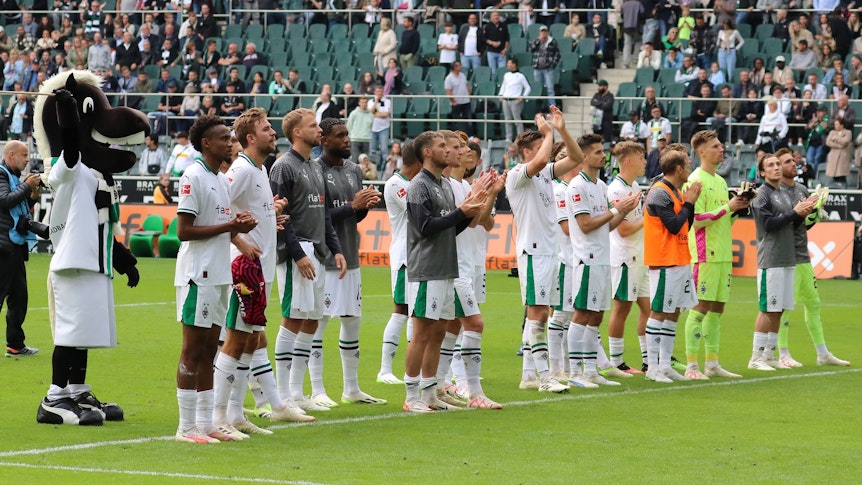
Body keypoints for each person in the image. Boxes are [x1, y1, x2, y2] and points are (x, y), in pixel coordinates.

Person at [213, 108, 311, 438]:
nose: (273, 133)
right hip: (244, 268)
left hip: (261, 269)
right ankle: (220, 416)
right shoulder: (241, 169)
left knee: (251, 338)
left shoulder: (259, 169)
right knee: (235, 340)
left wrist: (272, 216)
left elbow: (246, 211)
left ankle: (238, 413)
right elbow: (217, 208)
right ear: (251, 138)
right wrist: (238, 240)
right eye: (267, 128)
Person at [173, 114, 258, 443]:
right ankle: (185, 427)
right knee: (192, 350)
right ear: (206, 143)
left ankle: (206, 423)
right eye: (224, 138)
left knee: (210, 350)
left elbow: (221, 225)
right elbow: (184, 231)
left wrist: (238, 229)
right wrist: (231, 227)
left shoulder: (220, 179)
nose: (231, 143)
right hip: (199, 275)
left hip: (219, 274)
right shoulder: (193, 176)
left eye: (231, 138)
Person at [401, 130, 488, 413]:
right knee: (422, 333)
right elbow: (424, 227)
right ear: (427, 152)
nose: (448, 150)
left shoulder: (444, 185)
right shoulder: (419, 185)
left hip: (446, 267)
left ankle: (430, 393)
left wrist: (467, 212)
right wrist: (461, 212)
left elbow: (452, 228)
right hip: (427, 268)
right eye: (441, 146)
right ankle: (411, 395)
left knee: (438, 332)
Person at [269, 109, 347, 413]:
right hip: (296, 252)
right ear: (297, 132)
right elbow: (281, 216)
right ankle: (283, 397)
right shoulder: (283, 167)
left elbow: (323, 214)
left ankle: (297, 392)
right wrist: (298, 254)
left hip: (317, 250)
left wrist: (335, 248)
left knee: (312, 319)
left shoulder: (315, 166)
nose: (319, 130)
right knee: (293, 317)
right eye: (313, 125)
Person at [307, 118, 386, 408]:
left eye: (347, 134)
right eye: (340, 135)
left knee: (353, 320)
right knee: (319, 322)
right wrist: (352, 205)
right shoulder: (315, 171)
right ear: (324, 140)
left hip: (351, 254)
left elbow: (353, 215)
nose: (346, 140)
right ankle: (317, 390)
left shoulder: (354, 170)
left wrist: (363, 207)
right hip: (325, 257)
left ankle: (351, 388)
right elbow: (316, 216)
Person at [505, 107, 582, 394]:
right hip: (534, 251)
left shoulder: (545, 175)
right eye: (540, 148)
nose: (547, 153)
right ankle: (545, 376)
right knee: (538, 314)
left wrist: (561, 130)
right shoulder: (517, 175)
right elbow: (539, 162)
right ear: (526, 152)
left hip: (550, 252)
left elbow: (576, 158)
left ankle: (529, 375)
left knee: (538, 313)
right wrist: (548, 133)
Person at [565, 134, 640, 388]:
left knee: (596, 315)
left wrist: (624, 210)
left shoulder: (600, 186)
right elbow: (585, 225)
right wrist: (617, 209)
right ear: (584, 156)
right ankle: (575, 372)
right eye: (597, 152)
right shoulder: (577, 186)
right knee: (582, 313)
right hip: (586, 259)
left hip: (602, 258)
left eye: (602, 151)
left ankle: (590, 370)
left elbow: (606, 226)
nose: (603, 156)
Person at [681, 130, 750, 380]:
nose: (722, 149)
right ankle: (691, 366)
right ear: (701, 152)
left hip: (722, 253)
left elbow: (722, 219)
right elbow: (696, 220)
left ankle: (712, 363)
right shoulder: (694, 181)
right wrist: (727, 207)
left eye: (721, 146)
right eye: (716, 146)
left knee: (718, 308)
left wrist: (736, 209)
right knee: (700, 307)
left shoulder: (720, 181)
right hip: (704, 254)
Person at [775, 149, 850, 367]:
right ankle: (783, 353)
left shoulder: (801, 189)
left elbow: (803, 225)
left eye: (793, 160)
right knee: (785, 306)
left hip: (802, 254)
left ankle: (823, 354)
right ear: (778, 167)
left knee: (813, 303)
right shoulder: (775, 192)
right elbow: (780, 224)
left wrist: (816, 212)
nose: (793, 163)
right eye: (787, 161)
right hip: (784, 256)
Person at [747, 154, 816, 371]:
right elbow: (768, 224)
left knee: (779, 309)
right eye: (771, 165)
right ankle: (755, 357)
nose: (776, 167)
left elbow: (791, 224)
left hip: (788, 257)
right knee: (767, 309)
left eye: (778, 164)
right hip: (771, 258)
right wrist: (794, 212)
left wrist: (803, 213)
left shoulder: (783, 194)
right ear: (762, 172)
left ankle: (769, 355)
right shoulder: (761, 195)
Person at [642, 149, 701, 383]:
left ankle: (665, 365)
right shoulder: (659, 193)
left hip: (679, 258)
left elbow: (686, 223)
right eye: (687, 165)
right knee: (658, 312)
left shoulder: (676, 192)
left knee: (673, 312)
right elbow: (674, 226)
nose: (690, 169)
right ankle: (652, 367)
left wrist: (689, 204)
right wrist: (689, 203)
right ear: (678, 169)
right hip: (664, 260)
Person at [606, 141, 650, 375]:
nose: (645, 162)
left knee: (649, 309)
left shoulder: (633, 185)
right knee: (622, 308)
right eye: (642, 158)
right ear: (630, 160)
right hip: (624, 258)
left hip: (639, 256)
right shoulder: (616, 190)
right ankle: (616, 361)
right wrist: (648, 218)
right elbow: (622, 229)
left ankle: (648, 360)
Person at [377, 142, 420, 385]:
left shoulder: (413, 183)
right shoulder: (395, 184)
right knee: (402, 310)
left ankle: (415, 369)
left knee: (416, 311)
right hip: (405, 256)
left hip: (419, 255)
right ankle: (385, 370)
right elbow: (418, 211)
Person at [0, 140, 41, 357]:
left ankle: (15, 344)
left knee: (19, 297)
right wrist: (26, 186)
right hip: (3, 246)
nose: (27, 160)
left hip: (14, 246)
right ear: (11, 155)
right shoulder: (1, 174)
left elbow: (17, 208)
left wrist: (32, 196)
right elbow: (5, 201)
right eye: (24, 155)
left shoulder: (13, 177)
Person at [498, 57, 531, 143]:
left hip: (515, 100)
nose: (507, 64)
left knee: (517, 120)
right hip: (506, 99)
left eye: (509, 63)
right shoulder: (506, 75)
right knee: (507, 120)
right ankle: (508, 138)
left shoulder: (520, 76)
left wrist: (523, 96)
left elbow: (528, 87)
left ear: (514, 65)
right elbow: (504, 86)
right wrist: (501, 95)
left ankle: (520, 138)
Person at [529, 25, 560, 110]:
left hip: (548, 69)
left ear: (547, 32)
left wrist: (553, 64)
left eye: (545, 31)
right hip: (537, 68)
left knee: (550, 89)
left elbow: (557, 54)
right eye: (542, 31)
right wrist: (538, 41)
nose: (543, 33)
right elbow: (531, 49)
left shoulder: (552, 41)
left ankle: (552, 109)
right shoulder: (536, 40)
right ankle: (540, 107)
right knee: (539, 88)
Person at [445, 61, 472, 135]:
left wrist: (469, 95)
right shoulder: (449, 78)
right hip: (456, 103)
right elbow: (448, 91)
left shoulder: (462, 75)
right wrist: (453, 102)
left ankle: (469, 135)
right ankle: (455, 136)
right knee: (456, 120)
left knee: (468, 119)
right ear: (455, 67)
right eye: (459, 65)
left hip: (466, 101)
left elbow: (466, 85)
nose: (461, 66)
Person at [825, 117, 852, 188]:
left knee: (842, 176)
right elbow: (828, 142)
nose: (835, 126)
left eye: (837, 124)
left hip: (842, 157)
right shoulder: (832, 132)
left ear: (842, 125)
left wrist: (836, 138)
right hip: (833, 156)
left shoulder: (848, 132)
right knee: (834, 177)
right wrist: (839, 146)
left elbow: (845, 141)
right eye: (835, 124)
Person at [368, 86, 391, 170]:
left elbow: (386, 114)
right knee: (372, 149)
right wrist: (376, 102)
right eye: (378, 91)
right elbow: (370, 112)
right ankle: (373, 168)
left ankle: (385, 168)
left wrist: (375, 114)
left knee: (384, 149)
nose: (379, 93)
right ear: (375, 92)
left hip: (384, 128)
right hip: (372, 128)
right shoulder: (370, 101)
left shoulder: (387, 101)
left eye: (381, 91)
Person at [346, 97, 373, 163]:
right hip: (355, 140)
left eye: (365, 102)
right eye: (362, 102)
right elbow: (349, 126)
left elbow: (371, 127)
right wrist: (350, 137)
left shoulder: (371, 115)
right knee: (355, 161)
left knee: (366, 162)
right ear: (359, 103)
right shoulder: (354, 113)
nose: (364, 104)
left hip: (366, 140)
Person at [483, 10, 509, 76]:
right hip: (491, 52)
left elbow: (507, 38)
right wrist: (492, 43)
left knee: (502, 72)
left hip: (502, 52)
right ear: (491, 18)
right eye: (494, 16)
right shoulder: (487, 26)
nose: (496, 17)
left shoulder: (504, 26)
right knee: (493, 72)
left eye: (497, 15)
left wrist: (505, 49)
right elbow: (484, 38)